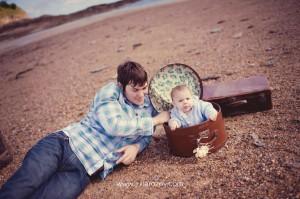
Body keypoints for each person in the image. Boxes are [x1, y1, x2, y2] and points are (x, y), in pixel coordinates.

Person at [0, 61, 170, 199]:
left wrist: (136, 147)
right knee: (22, 186)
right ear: (121, 85)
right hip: (63, 145)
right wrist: (156, 119)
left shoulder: (148, 106)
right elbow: (115, 126)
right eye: (134, 89)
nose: (141, 94)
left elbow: (147, 134)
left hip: (83, 172)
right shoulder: (110, 92)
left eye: (144, 88)